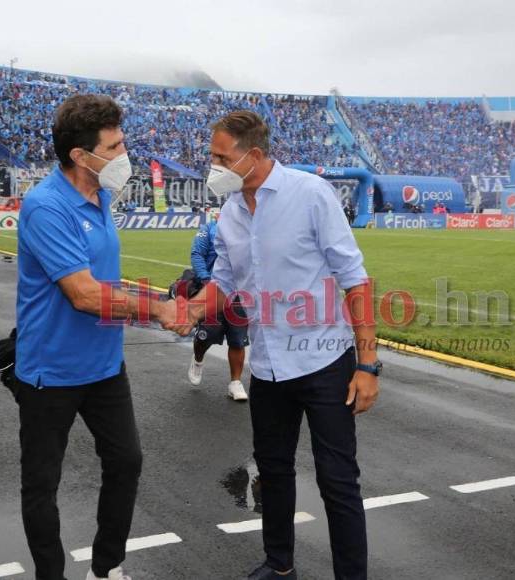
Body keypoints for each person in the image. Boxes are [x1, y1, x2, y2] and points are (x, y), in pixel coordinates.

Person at [179, 111, 380, 580]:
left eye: (220, 157)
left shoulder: (310, 195)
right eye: (213, 156)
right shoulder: (230, 211)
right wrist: (188, 310)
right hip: (267, 365)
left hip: (325, 361)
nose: (214, 166)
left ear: (253, 155)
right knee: (272, 470)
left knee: (337, 481)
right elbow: (225, 283)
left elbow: (355, 280)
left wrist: (368, 364)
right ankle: (279, 563)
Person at [14, 94, 187, 580]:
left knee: (126, 462)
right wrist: (158, 310)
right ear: (80, 155)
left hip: (105, 364)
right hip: (51, 369)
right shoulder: (47, 206)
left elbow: (107, 282)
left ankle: (105, 569)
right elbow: (86, 295)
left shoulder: (102, 196)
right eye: (113, 147)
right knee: (42, 483)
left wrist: (159, 298)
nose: (123, 155)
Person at [187, 212, 249, 401]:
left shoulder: (249, 230)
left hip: (240, 293)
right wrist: (206, 279)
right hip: (214, 290)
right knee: (207, 336)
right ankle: (198, 359)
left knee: (238, 340)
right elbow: (197, 253)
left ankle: (235, 382)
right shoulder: (209, 229)